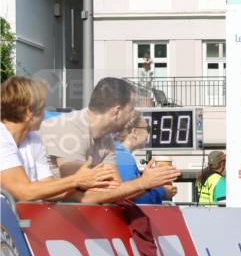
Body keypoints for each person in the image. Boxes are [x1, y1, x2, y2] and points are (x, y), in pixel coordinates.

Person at [39, 76, 179, 202]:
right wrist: (143, 183)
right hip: (41, 217)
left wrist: (147, 184)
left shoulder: (106, 139)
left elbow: (115, 191)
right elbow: (82, 196)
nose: (131, 117)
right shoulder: (70, 129)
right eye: (130, 111)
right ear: (116, 111)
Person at [1, 76, 115, 201]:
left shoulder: (34, 139)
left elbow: (48, 188)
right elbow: (24, 193)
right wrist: (76, 180)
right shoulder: (2, 138)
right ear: (29, 112)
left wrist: (88, 183)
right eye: (42, 107)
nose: (45, 113)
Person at [115, 112, 176, 205]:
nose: (148, 134)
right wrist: (162, 192)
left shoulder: (115, 152)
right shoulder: (123, 158)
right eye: (147, 129)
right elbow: (130, 198)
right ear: (135, 132)